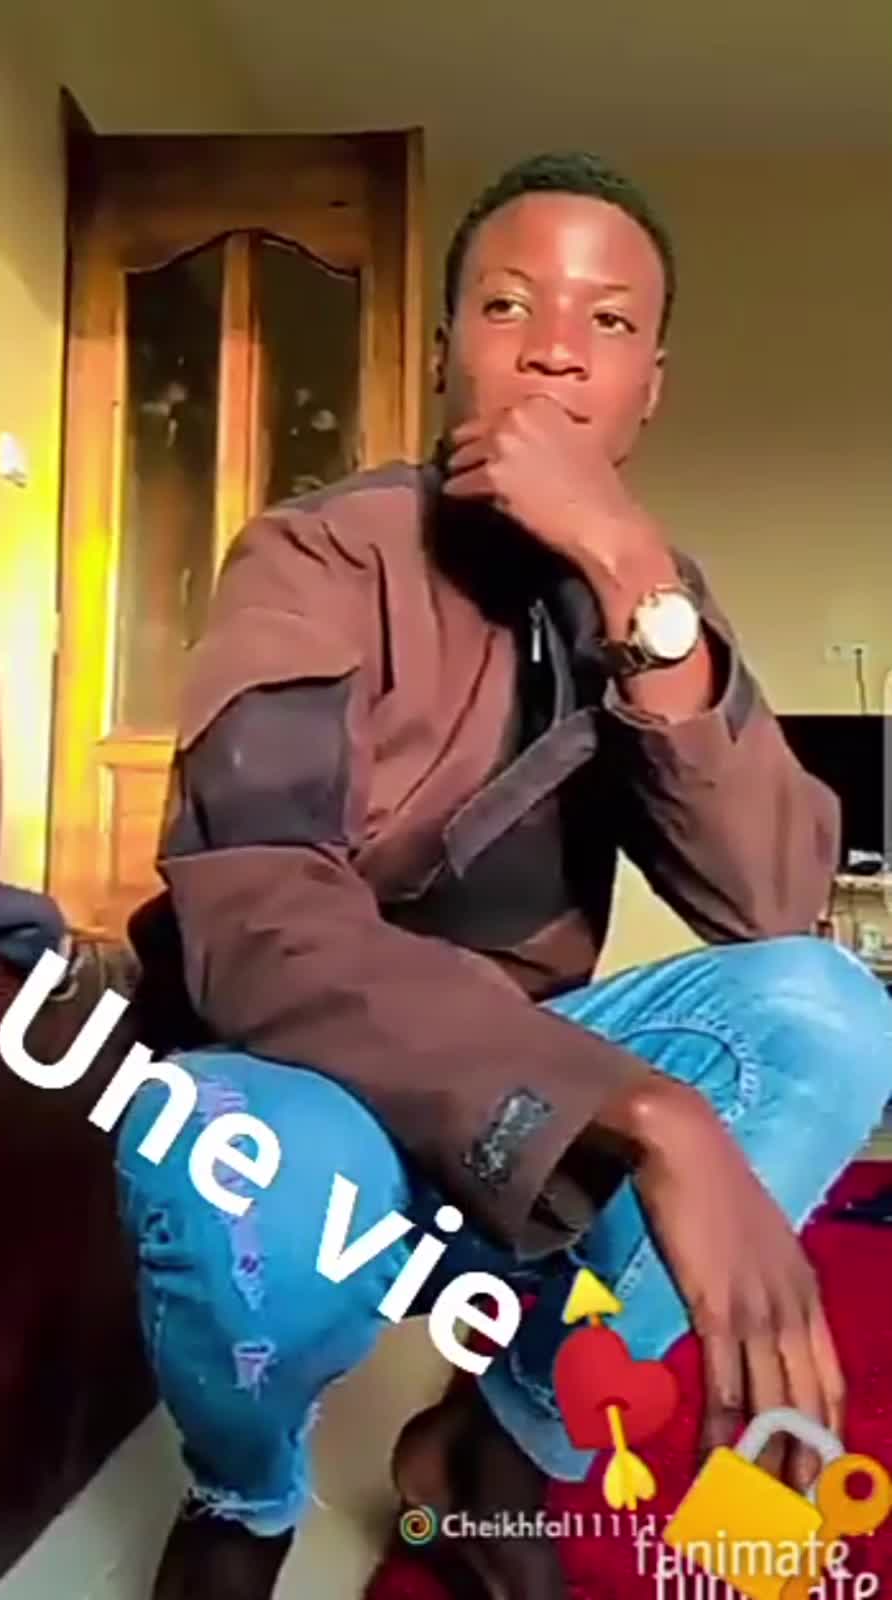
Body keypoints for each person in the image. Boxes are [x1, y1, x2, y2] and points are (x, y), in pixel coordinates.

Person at [116, 152, 892, 1600]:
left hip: (527, 1089)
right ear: (443, 354)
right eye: (508, 305)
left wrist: (634, 578)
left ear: (649, 389)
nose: (554, 349)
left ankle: (498, 1445)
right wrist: (641, 1112)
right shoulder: (315, 553)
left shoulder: (648, 594)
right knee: (224, 1168)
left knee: (833, 1012)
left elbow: (775, 908)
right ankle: (246, 1494)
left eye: (609, 322)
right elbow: (258, 917)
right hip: (305, 1079)